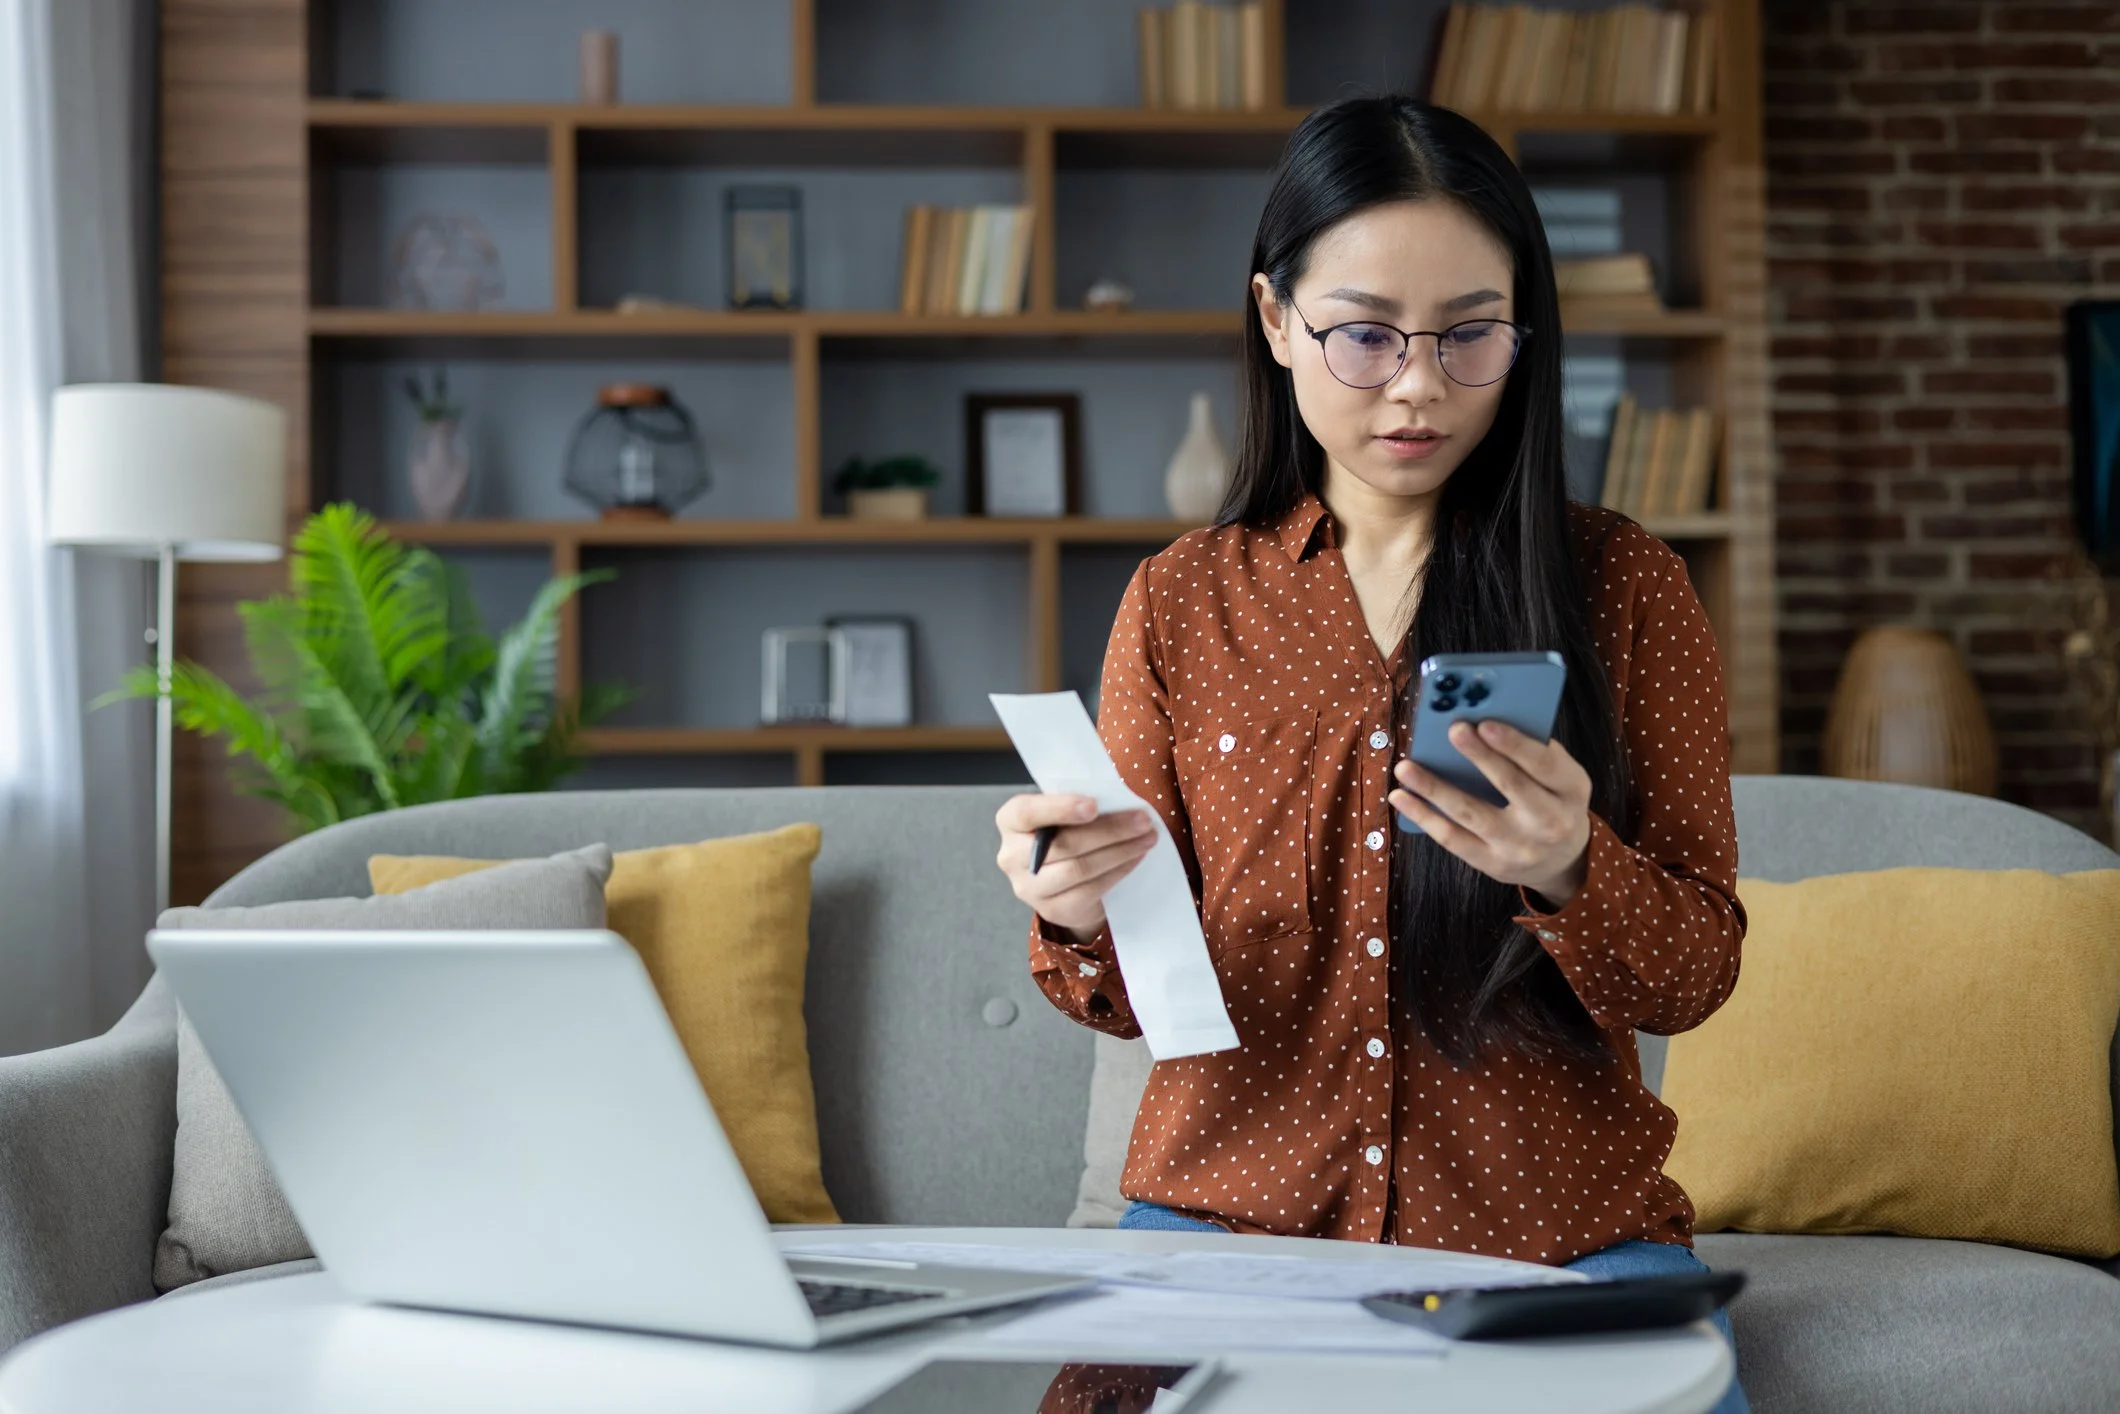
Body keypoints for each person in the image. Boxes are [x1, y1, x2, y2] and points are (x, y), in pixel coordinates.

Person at [992, 94, 1749, 1412]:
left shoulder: (1626, 587)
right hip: (1234, 1220)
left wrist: (1575, 866)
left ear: (1525, 331)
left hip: (1555, 1228)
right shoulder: (1182, 602)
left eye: (1469, 335)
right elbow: (1117, 994)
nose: (1418, 384)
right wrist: (1073, 908)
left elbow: (1694, 972)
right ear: (1278, 320)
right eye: (1365, 334)